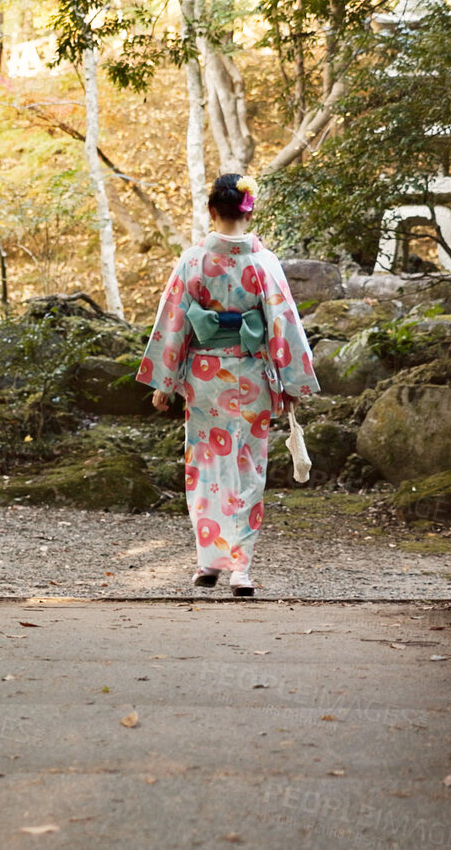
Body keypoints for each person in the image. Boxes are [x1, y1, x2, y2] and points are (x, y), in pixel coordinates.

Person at [136, 174, 318, 596]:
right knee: (248, 468)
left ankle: (208, 563)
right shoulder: (263, 262)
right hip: (252, 375)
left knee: (206, 466)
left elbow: (174, 320)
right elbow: (283, 323)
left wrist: (165, 382)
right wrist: (289, 382)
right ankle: (241, 569)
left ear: (212, 210)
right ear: (248, 210)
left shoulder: (193, 260)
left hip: (204, 377)